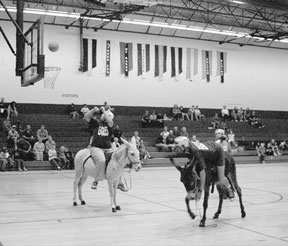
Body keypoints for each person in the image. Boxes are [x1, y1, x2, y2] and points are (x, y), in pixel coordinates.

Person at [172, 136, 234, 201]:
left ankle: (229, 188)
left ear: (183, 146)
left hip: (217, 151)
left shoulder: (195, 151)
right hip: (207, 150)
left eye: (177, 148)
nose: (175, 150)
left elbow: (202, 173)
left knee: (221, 177)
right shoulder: (188, 146)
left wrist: (200, 191)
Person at [84, 106, 127, 191]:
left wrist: (104, 111)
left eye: (106, 115)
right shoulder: (96, 122)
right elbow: (86, 117)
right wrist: (93, 110)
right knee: (102, 161)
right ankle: (96, 180)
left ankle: (120, 183)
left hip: (107, 148)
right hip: (96, 147)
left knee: (119, 161)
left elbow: (110, 121)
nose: (103, 116)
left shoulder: (110, 125)